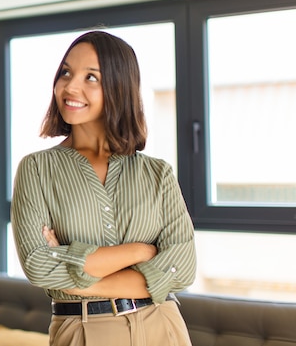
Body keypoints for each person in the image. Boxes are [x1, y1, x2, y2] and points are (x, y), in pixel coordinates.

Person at [10, 30, 196, 345]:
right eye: (66, 72)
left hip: (162, 326)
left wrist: (75, 277)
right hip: (81, 330)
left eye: (91, 77)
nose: (70, 86)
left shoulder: (157, 174)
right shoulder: (36, 169)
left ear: (119, 87)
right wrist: (140, 252)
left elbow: (182, 270)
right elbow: (40, 266)